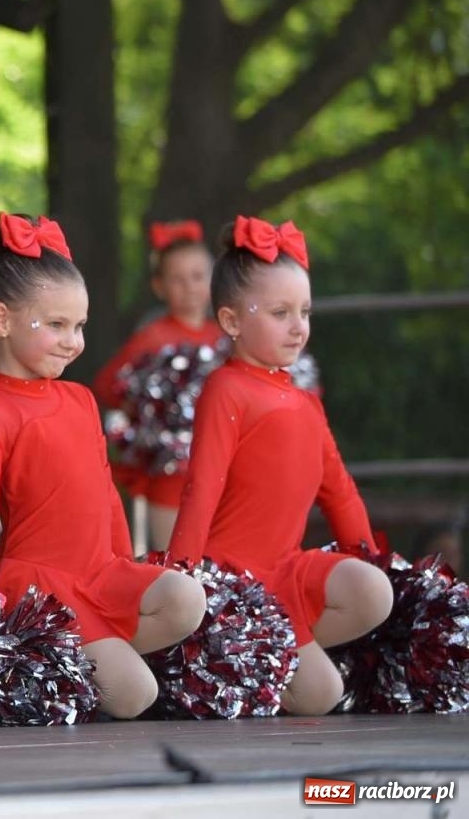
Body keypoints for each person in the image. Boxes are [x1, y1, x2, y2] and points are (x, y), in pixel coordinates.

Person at [0, 212, 205, 719]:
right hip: (41, 587)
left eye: (79, 326)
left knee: (185, 597)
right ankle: (48, 661)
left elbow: (106, 490)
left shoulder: (81, 399)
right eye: (55, 325)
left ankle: (80, 656)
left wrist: (126, 566)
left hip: (100, 573)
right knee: (136, 695)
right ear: (2, 321)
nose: (73, 341)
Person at [168, 216, 392, 716]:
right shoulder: (226, 389)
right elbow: (202, 487)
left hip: (286, 571)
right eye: (279, 312)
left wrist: (372, 556)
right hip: (233, 579)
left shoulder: (305, 401)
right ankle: (230, 654)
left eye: (305, 312)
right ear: (230, 321)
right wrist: (184, 577)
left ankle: (261, 652)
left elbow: (339, 490)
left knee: (373, 591)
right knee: (321, 695)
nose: (299, 327)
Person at [92, 220, 223, 550]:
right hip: (170, 478)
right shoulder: (152, 338)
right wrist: (149, 422)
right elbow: (108, 385)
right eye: (177, 279)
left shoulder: (224, 337)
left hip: (221, 472)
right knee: (176, 562)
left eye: (198, 276)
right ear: (159, 286)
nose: (190, 287)